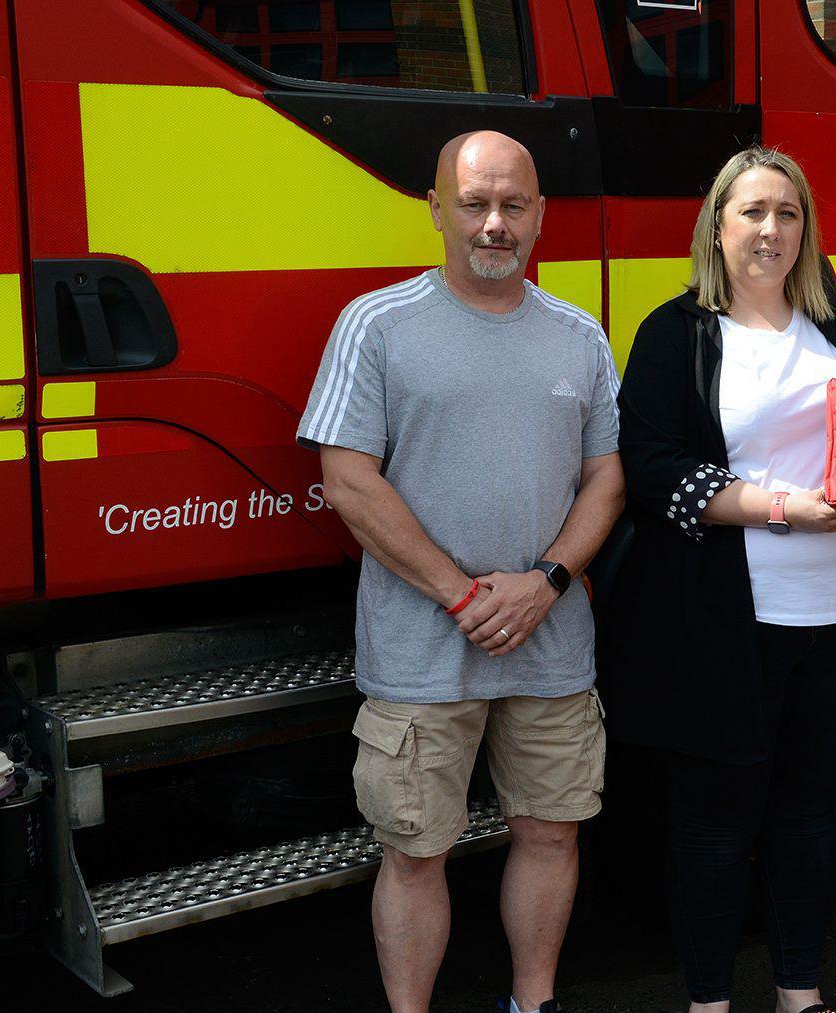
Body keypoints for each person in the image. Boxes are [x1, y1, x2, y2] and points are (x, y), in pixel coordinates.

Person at [296, 130, 625, 1013]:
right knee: (414, 848)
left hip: (549, 640)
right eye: (475, 204)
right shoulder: (378, 325)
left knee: (551, 833)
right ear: (437, 209)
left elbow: (608, 476)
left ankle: (534, 1003)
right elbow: (347, 479)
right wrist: (461, 593)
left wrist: (546, 581)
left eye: (514, 205)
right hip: (423, 645)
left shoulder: (579, 335)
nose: (494, 224)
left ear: (541, 215)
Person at [604, 145, 836, 1013]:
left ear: (805, 232)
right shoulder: (677, 332)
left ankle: (799, 993)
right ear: (717, 225)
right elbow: (652, 468)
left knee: (811, 818)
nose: (771, 229)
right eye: (752, 212)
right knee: (714, 823)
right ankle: (709, 1002)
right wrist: (782, 508)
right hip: (729, 624)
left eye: (788, 214)